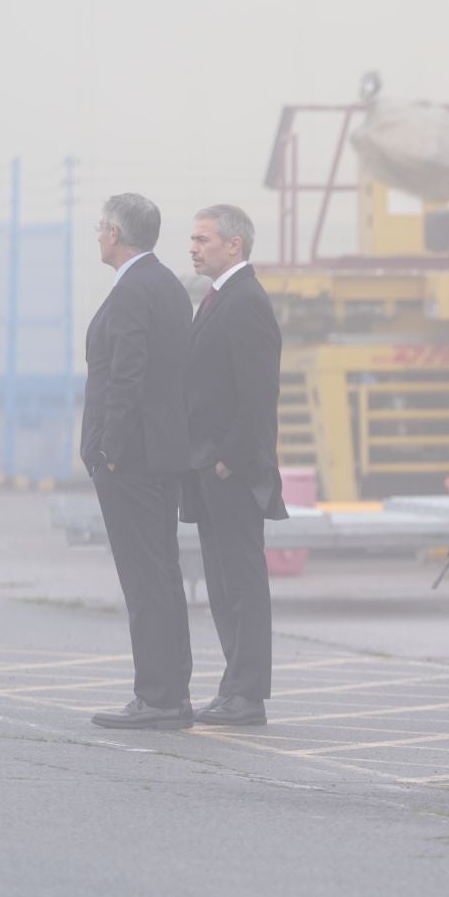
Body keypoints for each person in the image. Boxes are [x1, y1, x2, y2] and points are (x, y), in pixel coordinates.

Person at [80, 193, 196, 731]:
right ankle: (171, 691)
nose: (98, 234)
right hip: (159, 453)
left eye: (101, 226)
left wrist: (108, 448)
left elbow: (126, 375)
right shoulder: (167, 284)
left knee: (146, 578)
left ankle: (157, 697)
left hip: (133, 459)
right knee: (161, 574)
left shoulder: (134, 290)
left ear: (116, 236)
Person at [183, 204, 287, 726]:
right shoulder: (218, 297)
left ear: (233, 246)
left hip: (232, 470)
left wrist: (230, 459)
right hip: (208, 466)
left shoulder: (245, 301)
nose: (193, 247)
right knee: (222, 586)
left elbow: (258, 394)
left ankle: (248, 694)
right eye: (193, 239)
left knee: (242, 585)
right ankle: (233, 687)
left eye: (203, 239)